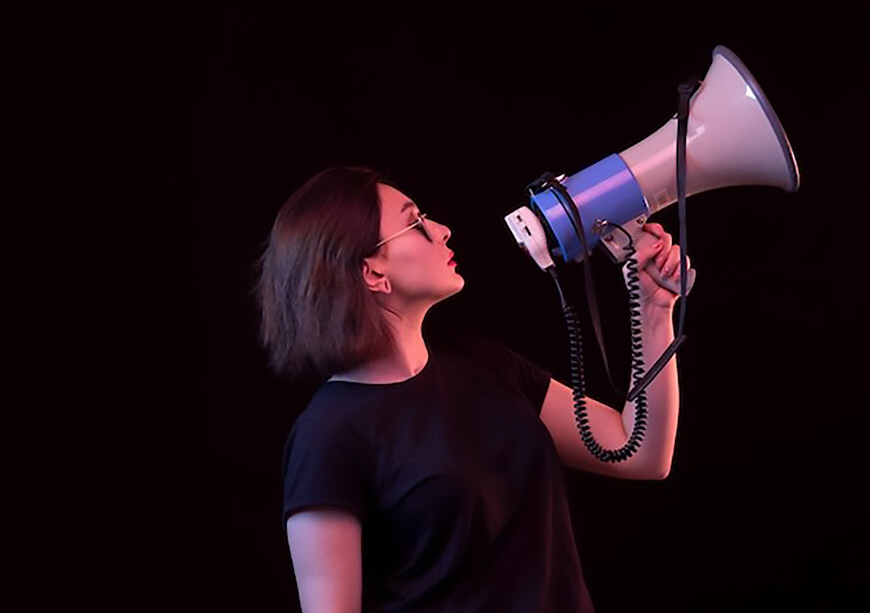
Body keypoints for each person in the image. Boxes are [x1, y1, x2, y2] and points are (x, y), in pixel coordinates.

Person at [257, 165, 691, 612]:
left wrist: (654, 310)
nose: (442, 230)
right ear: (372, 273)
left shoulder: (487, 367)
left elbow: (640, 453)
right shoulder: (327, 436)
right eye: (414, 223)